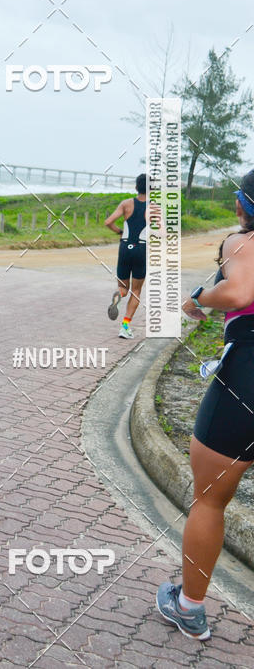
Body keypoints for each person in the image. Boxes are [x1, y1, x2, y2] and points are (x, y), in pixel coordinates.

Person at [157, 169, 254, 640]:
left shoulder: (242, 242)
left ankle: (190, 607)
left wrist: (200, 297)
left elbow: (238, 291)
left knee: (210, 500)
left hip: (247, 381)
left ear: (244, 204)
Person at [104, 173, 150, 339]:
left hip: (124, 247)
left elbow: (108, 222)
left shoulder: (126, 204)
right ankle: (125, 326)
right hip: (141, 249)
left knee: (124, 287)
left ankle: (119, 295)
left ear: (136, 187)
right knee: (136, 291)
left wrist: (120, 232)